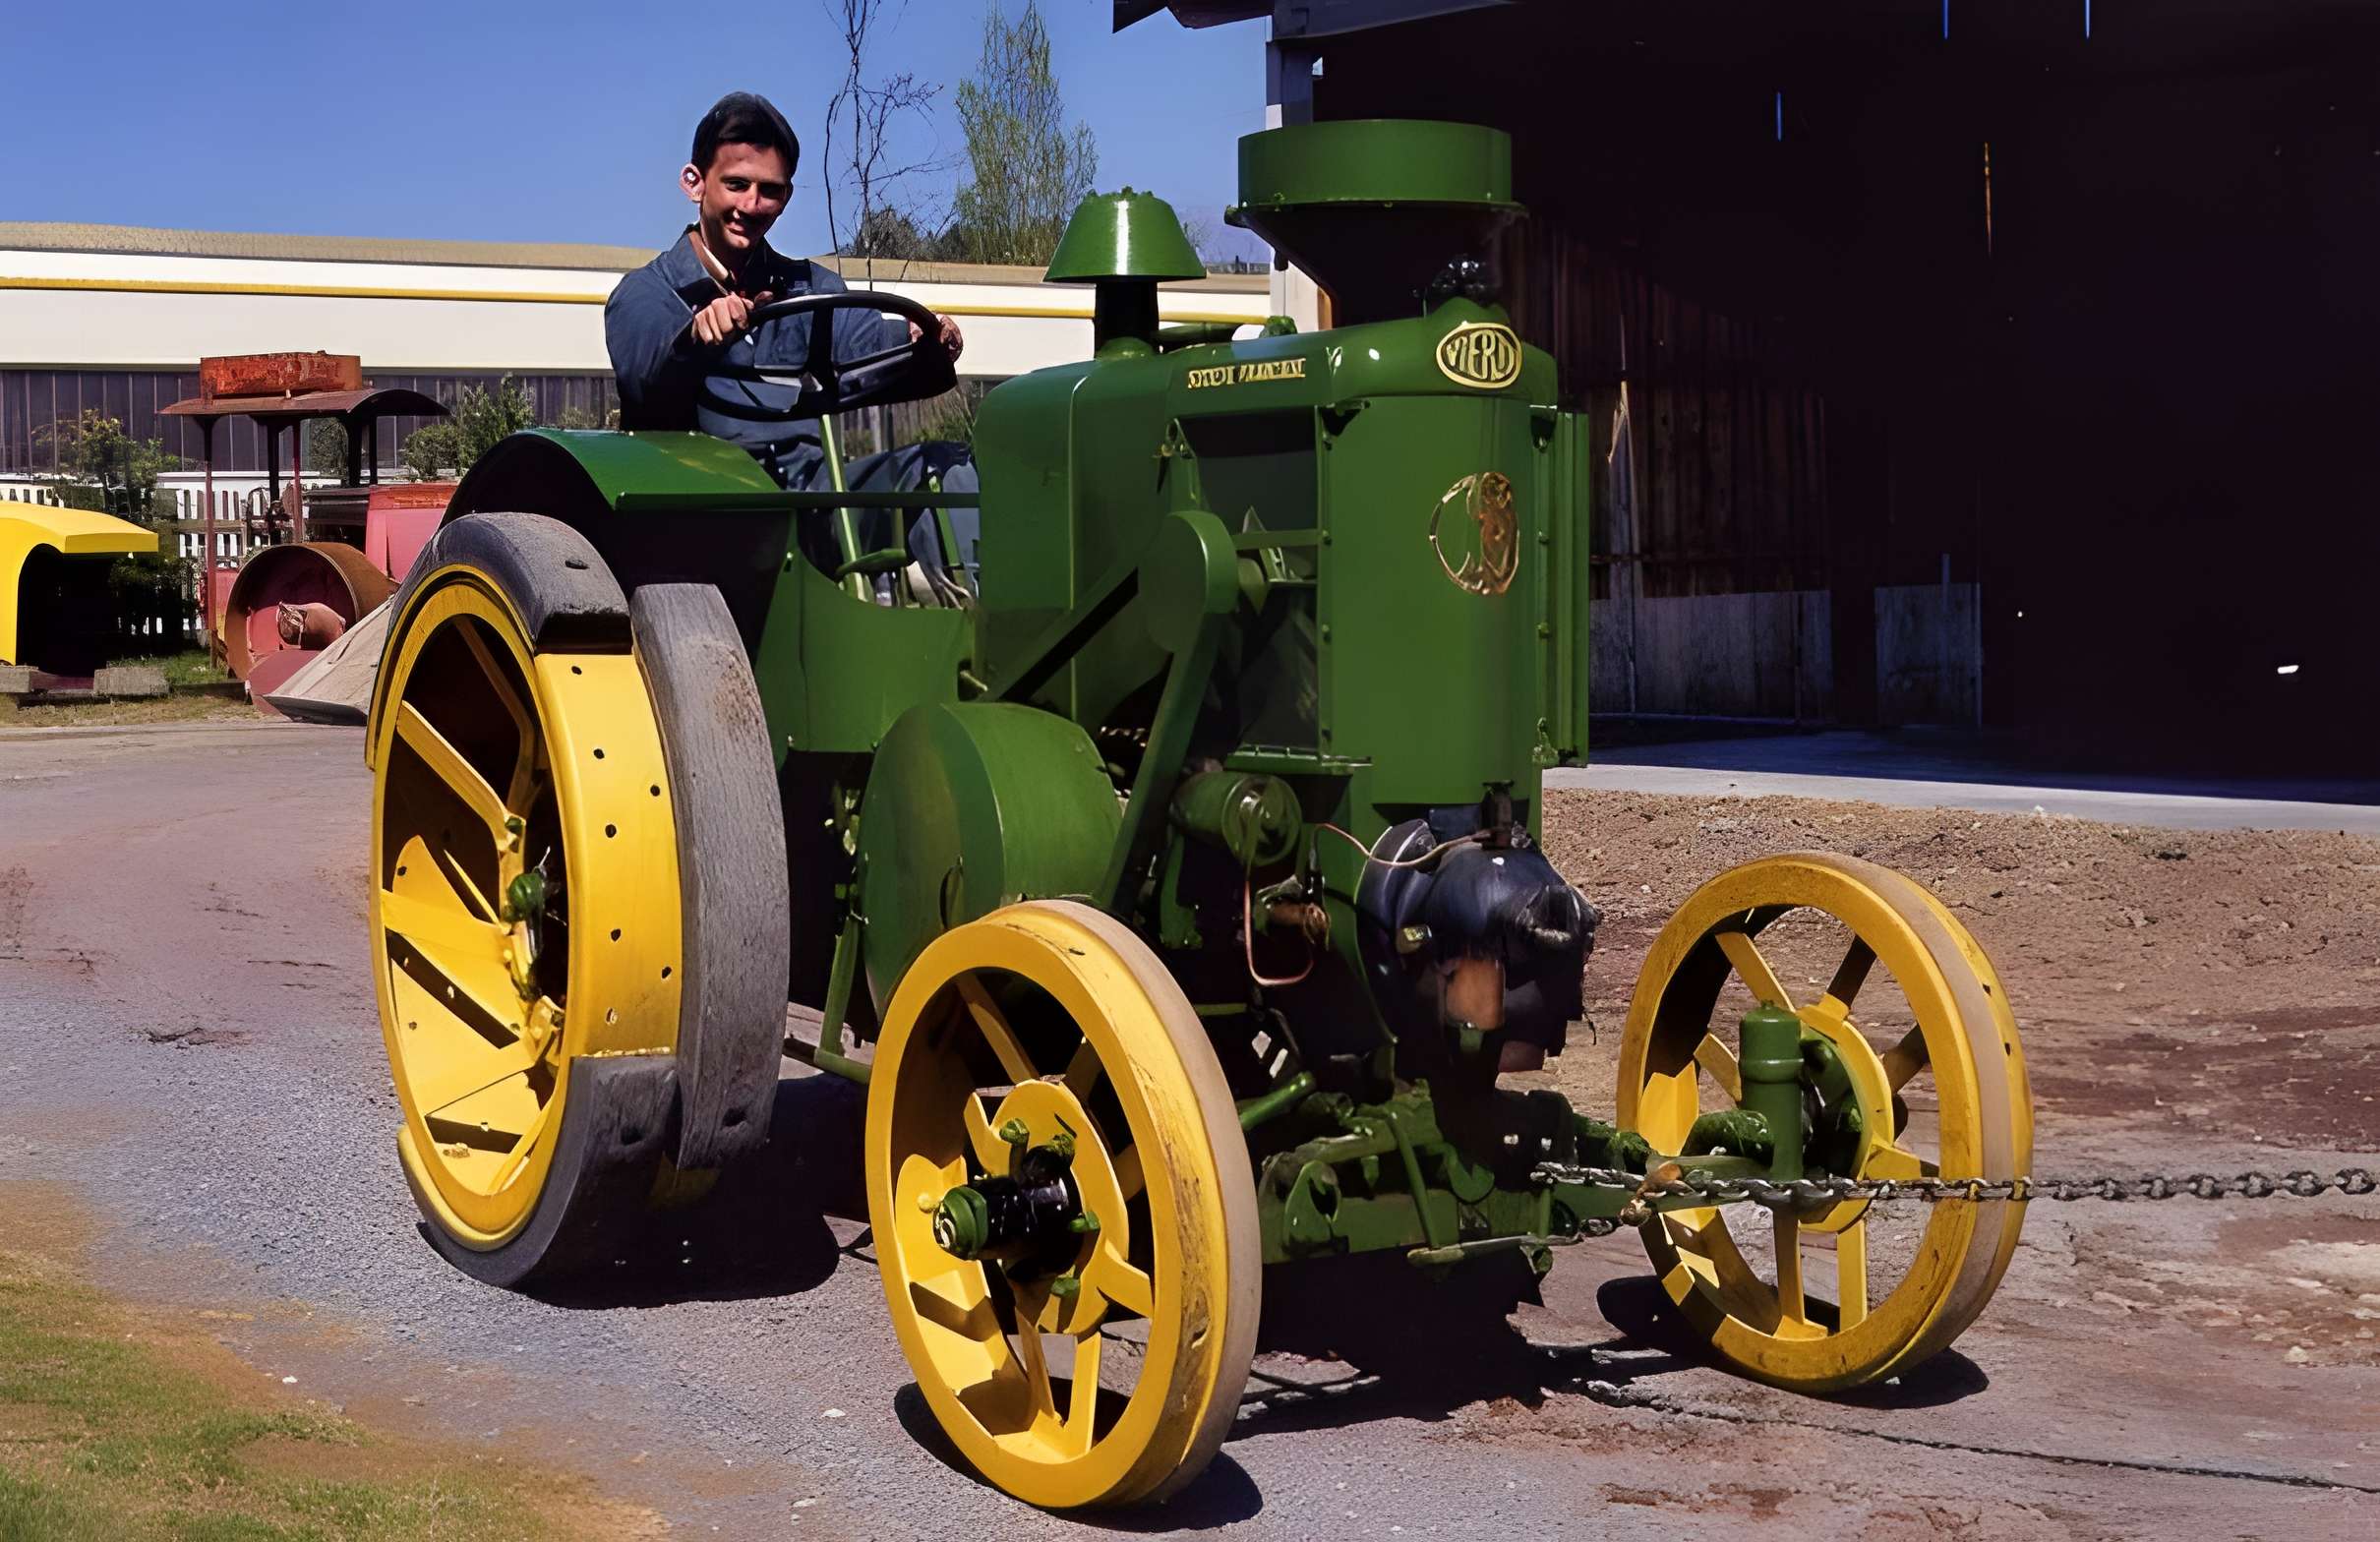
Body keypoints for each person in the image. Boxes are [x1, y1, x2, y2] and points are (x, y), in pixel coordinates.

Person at [606, 91, 977, 591]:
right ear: (694, 183)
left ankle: (973, 629)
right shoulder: (646, 294)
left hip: (806, 496)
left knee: (946, 469)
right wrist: (699, 336)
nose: (752, 206)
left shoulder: (811, 290)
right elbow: (649, 372)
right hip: (695, 510)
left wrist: (922, 338)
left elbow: (868, 342)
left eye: (770, 191)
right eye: (736, 185)